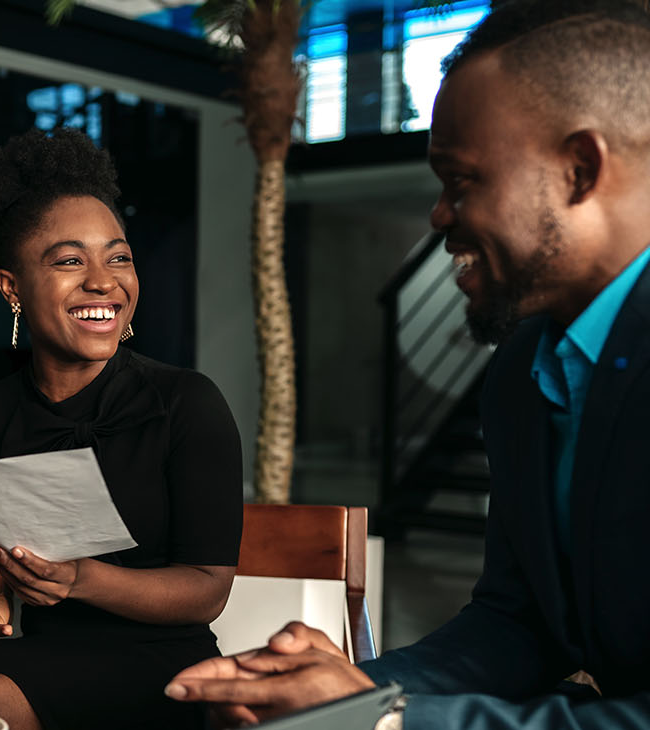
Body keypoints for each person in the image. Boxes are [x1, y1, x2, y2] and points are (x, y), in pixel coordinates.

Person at [165, 1, 650, 728]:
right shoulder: (522, 373)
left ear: (579, 169)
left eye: (461, 183)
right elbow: (516, 627)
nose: (438, 216)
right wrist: (332, 692)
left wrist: (390, 721)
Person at [0, 127, 244, 730]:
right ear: (11, 287)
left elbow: (207, 590)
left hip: (160, 661)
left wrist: (83, 580)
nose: (104, 281)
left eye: (118, 256)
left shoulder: (185, 402)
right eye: (71, 260)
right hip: (42, 652)